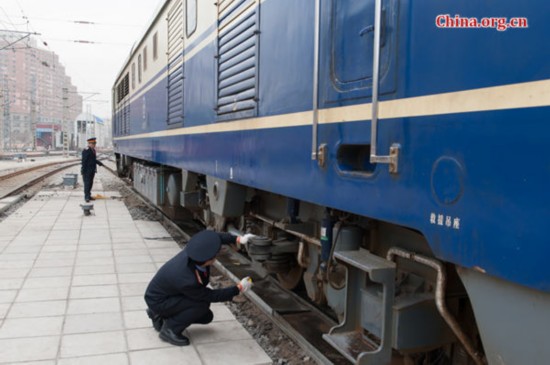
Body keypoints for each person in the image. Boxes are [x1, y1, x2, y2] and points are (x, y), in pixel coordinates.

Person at [144, 230, 255, 346]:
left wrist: (238, 239)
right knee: (201, 306)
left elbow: (214, 238)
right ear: (209, 260)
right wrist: (238, 288)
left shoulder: (194, 252)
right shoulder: (188, 279)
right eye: (216, 253)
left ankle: (159, 314)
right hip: (158, 301)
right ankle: (170, 329)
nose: (218, 252)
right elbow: (210, 295)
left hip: (166, 294)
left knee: (207, 317)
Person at [81, 137, 103, 202]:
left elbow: (93, 159)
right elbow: (84, 161)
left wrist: (99, 163)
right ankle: (86, 197)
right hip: (87, 170)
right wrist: (83, 169)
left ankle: (89, 195)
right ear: (89, 143)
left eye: (95, 143)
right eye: (93, 143)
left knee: (90, 183)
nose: (94, 145)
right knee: (87, 183)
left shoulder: (93, 150)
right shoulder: (86, 150)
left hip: (92, 170)